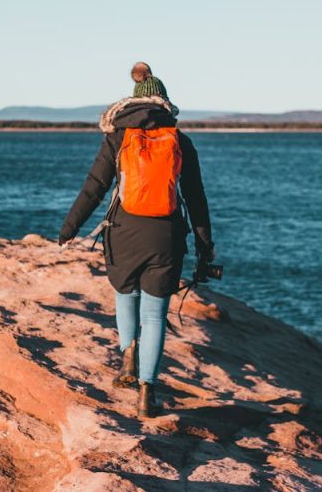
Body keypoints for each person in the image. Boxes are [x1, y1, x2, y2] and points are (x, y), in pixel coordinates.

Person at [58, 63, 214, 418]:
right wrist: (206, 247)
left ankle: (127, 356)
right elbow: (196, 198)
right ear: (165, 103)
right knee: (156, 316)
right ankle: (147, 394)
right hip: (166, 235)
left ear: (132, 102)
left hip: (123, 231)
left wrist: (69, 229)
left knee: (124, 295)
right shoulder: (180, 141)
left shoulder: (117, 137)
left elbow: (94, 188)